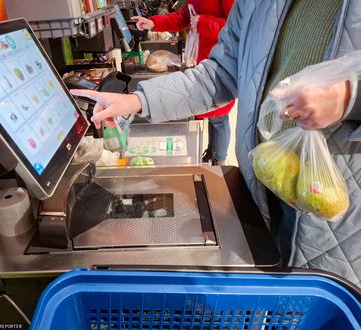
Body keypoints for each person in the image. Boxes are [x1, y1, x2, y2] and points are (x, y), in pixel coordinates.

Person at [72, 0, 361, 287]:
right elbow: (220, 74)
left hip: (338, 218)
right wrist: (137, 100)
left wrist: (350, 96)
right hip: (263, 190)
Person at [132, 0, 235, 165]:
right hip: (201, 61)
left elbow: (234, 29)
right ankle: (213, 153)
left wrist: (203, 22)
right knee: (212, 113)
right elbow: (183, 17)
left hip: (220, 63)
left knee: (219, 117)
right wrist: (153, 22)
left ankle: (220, 161)